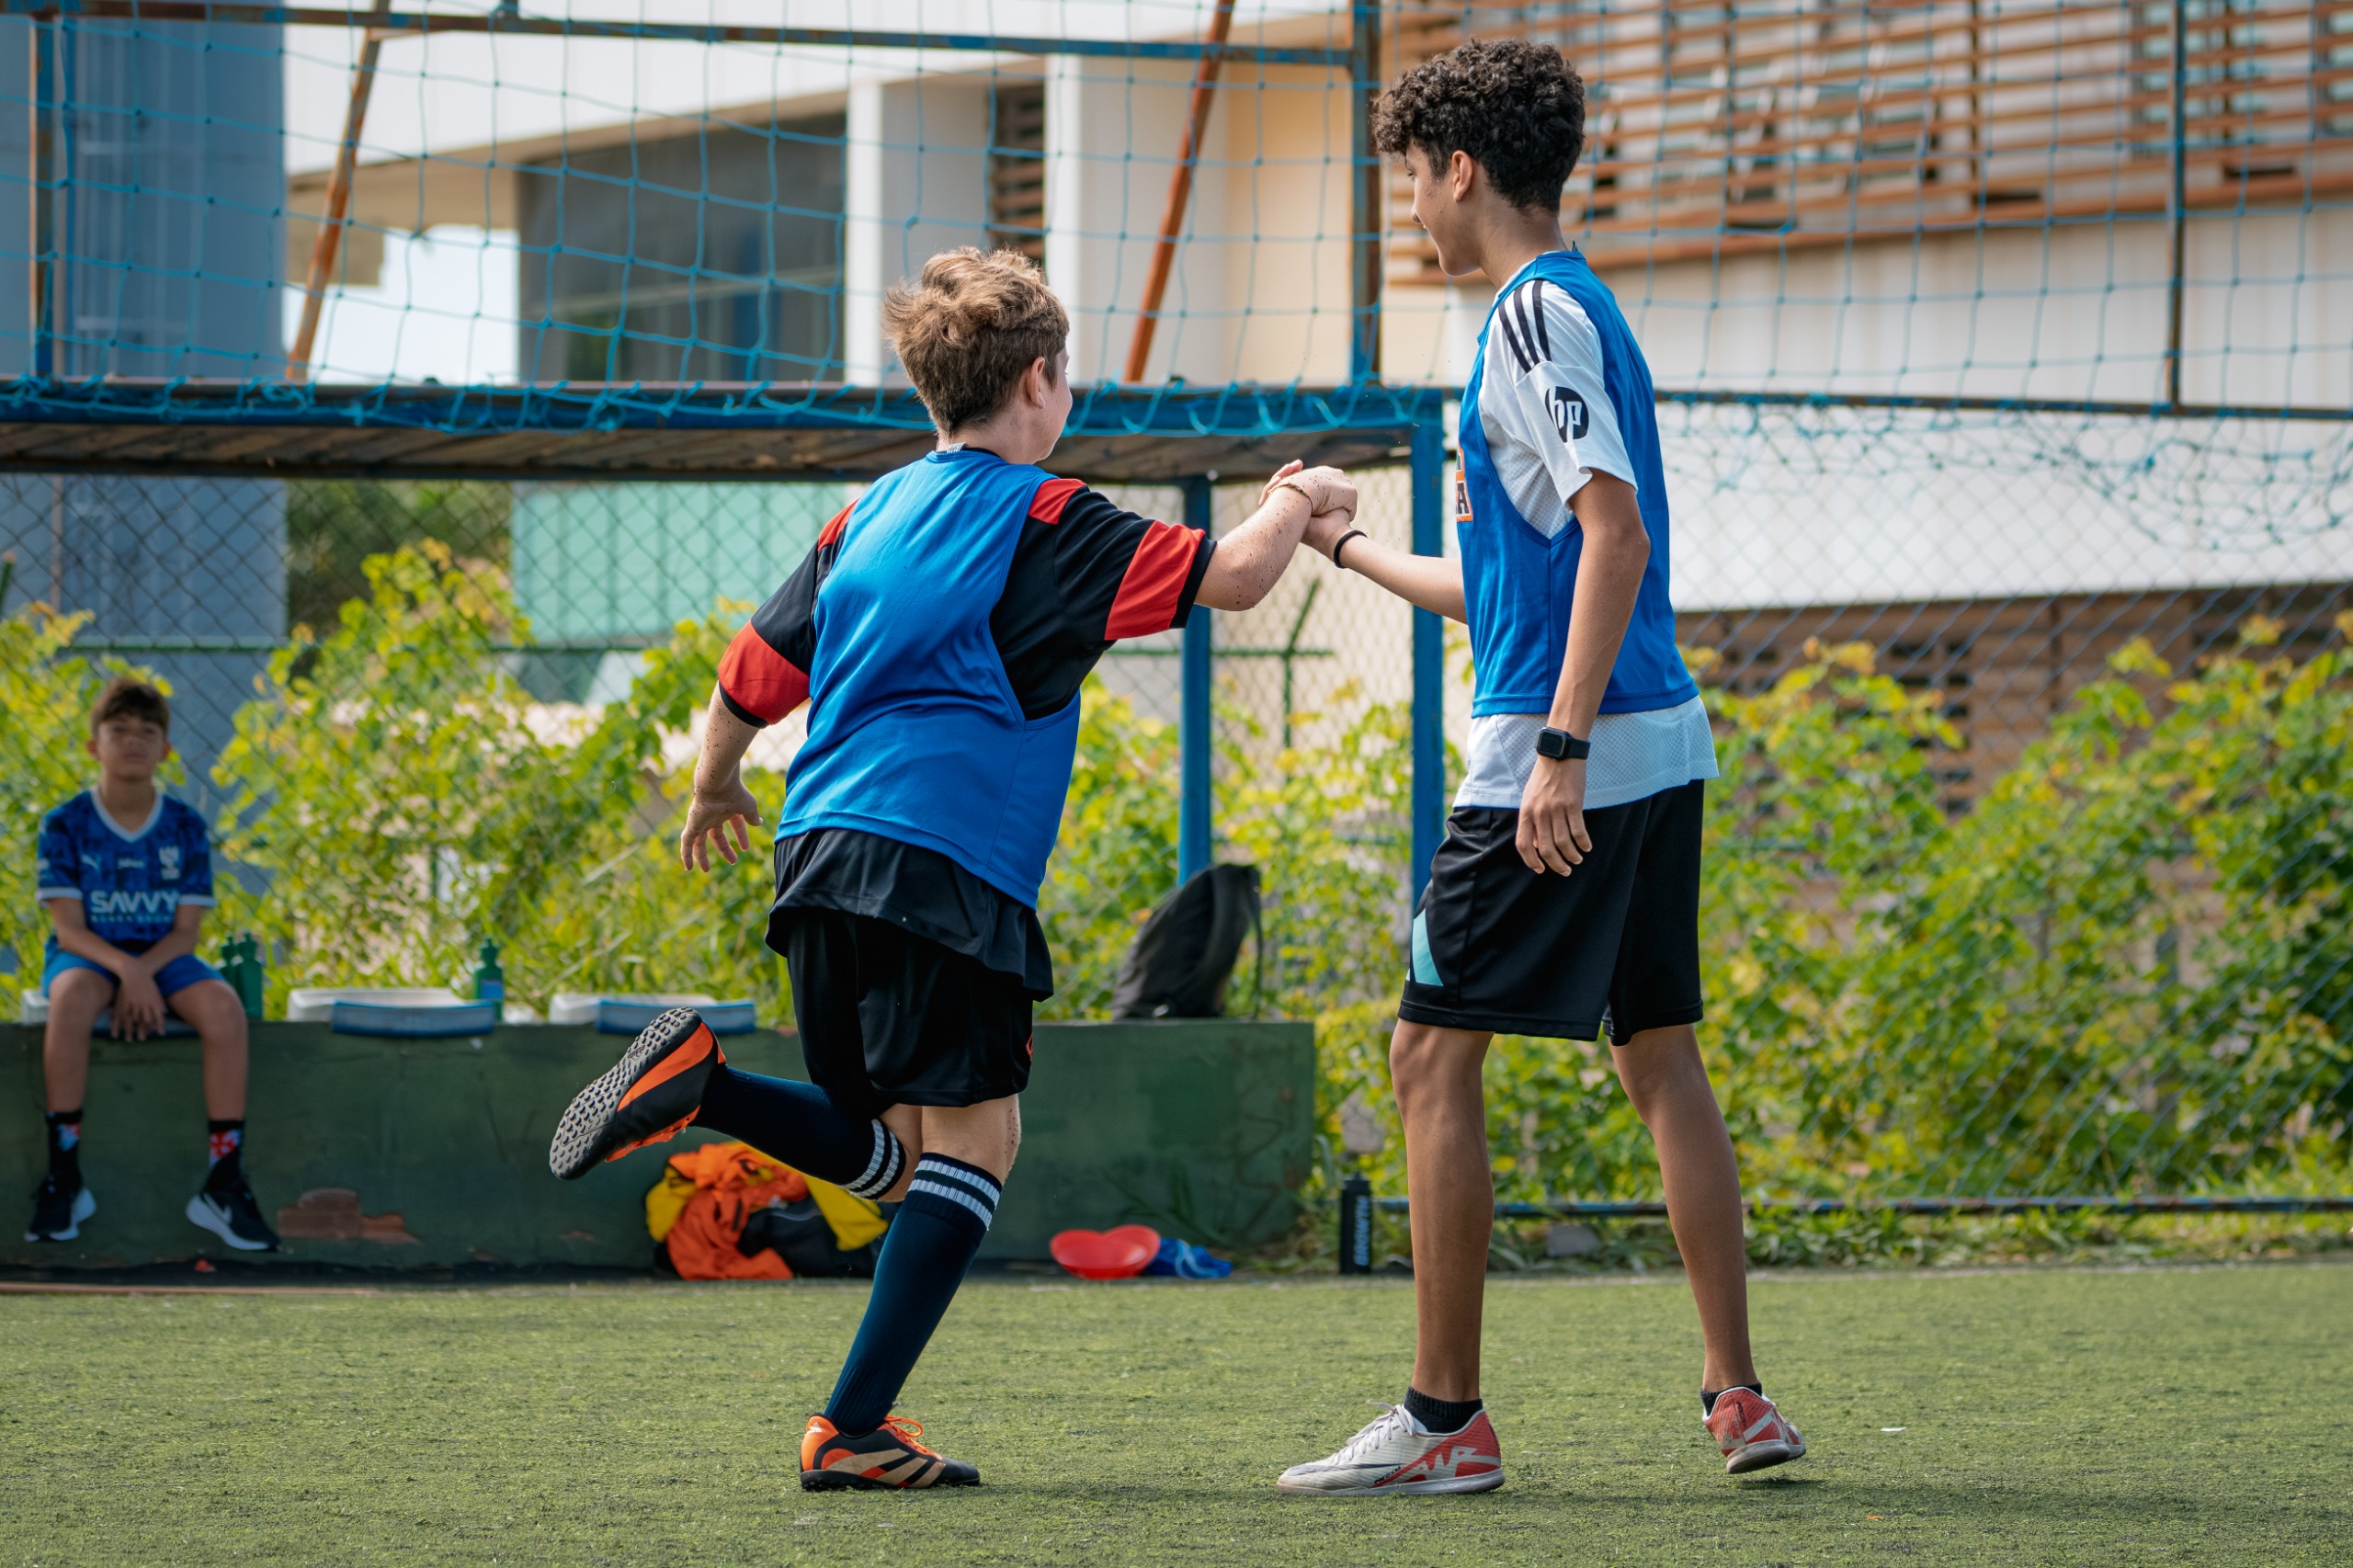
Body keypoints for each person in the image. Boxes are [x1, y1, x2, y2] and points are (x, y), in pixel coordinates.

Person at [548, 245, 1355, 1491]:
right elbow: (1239, 574)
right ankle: (852, 1423)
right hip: (945, 864)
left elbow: (749, 675)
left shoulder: (862, 516)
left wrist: (715, 784)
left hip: (814, 861)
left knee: (903, 1157)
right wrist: (1298, 497)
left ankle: (706, 1085)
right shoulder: (1051, 516)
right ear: (1039, 380)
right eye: (1068, 373)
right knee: (980, 1147)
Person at [1274, 39, 1804, 1495]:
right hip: (1658, 738)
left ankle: (1445, 1418)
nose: (1412, 209)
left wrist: (1558, 750)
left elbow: (1615, 536)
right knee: (1659, 1056)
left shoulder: (1530, 319)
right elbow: (1532, 581)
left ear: (1458, 168)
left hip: (1559, 753)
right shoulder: (1575, 315)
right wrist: (1351, 546)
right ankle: (1738, 1394)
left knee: (1429, 1052)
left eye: (1412, 178)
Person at [28, 677, 278, 1251]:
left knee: (223, 1010)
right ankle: (63, 1175)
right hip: (89, 956)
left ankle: (222, 1181)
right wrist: (126, 971)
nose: (134, 741)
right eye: (119, 730)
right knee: (68, 1002)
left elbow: (186, 933)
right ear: (95, 745)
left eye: (148, 732)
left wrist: (145, 971)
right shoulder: (64, 823)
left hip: (164, 958)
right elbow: (68, 928)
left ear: (166, 748)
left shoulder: (185, 826)